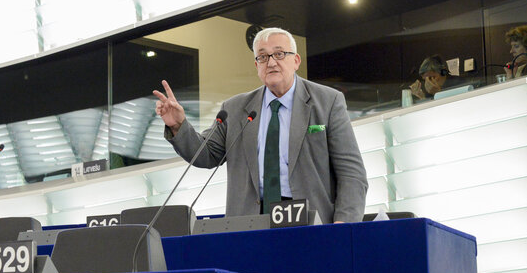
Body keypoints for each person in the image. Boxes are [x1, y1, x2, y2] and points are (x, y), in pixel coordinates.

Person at [154, 27, 368, 223]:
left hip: (312, 222)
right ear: (257, 65)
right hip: (250, 222)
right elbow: (206, 154)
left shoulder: (328, 101)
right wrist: (179, 125)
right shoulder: (236, 108)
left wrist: (343, 224)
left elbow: (352, 173)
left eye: (279, 54)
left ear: (296, 61)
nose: (272, 62)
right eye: (263, 57)